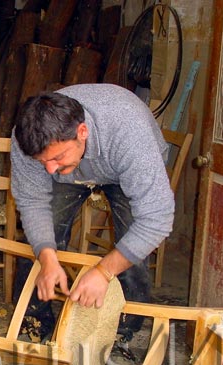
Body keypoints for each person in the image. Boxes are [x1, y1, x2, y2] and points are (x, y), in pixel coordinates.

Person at [10, 83, 174, 346]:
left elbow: (156, 219)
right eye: (43, 162)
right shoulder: (26, 138)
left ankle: (122, 333)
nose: (50, 170)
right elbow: (32, 201)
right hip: (78, 167)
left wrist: (103, 271)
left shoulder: (129, 133)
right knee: (40, 242)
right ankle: (35, 320)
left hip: (121, 166)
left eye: (57, 157)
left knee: (134, 246)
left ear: (82, 132)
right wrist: (48, 256)